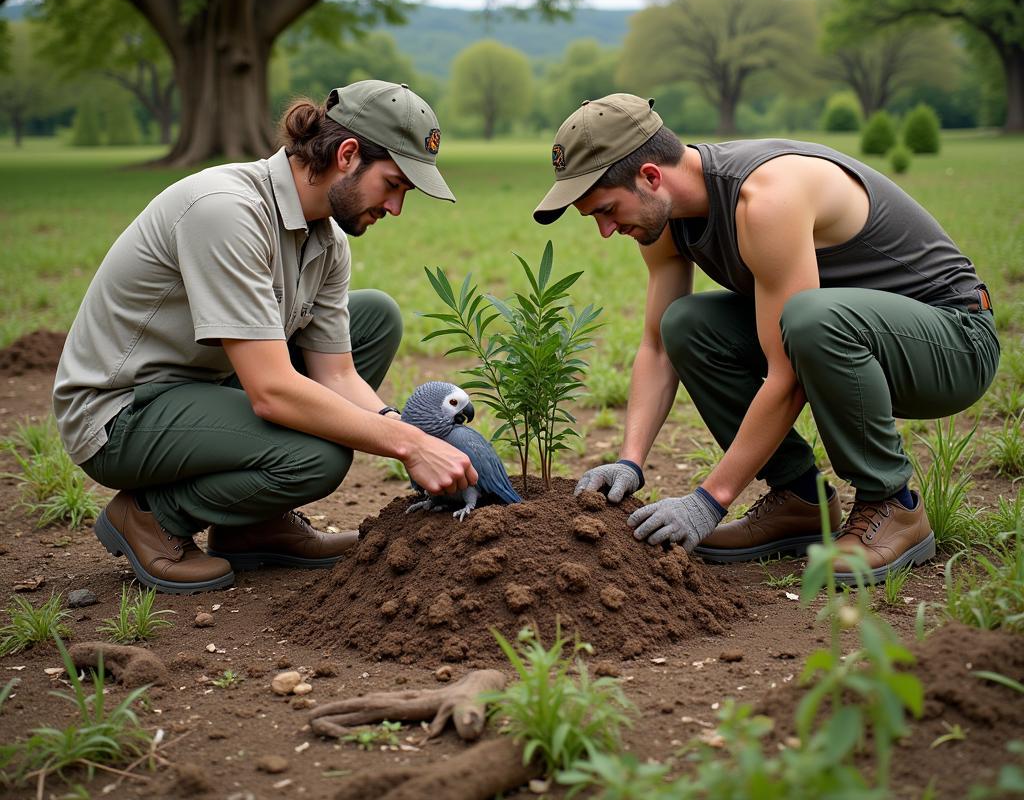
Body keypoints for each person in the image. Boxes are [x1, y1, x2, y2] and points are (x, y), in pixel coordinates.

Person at [533, 94, 998, 583]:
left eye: (607, 210)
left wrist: (708, 501)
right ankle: (800, 500)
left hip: (953, 340)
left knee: (810, 319)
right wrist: (630, 461)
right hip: (844, 333)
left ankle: (894, 503)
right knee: (686, 324)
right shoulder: (666, 218)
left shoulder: (765, 198)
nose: (606, 230)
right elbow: (658, 346)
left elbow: (788, 373)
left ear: (650, 176)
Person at [54, 81, 477, 594]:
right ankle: (150, 516)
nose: (395, 208)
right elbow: (273, 393)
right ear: (347, 155)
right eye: (393, 184)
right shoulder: (226, 211)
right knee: (316, 456)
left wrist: (417, 435)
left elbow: (337, 374)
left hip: (205, 387)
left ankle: (252, 524)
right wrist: (408, 445)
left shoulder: (328, 240)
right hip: (122, 412)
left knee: (374, 319)